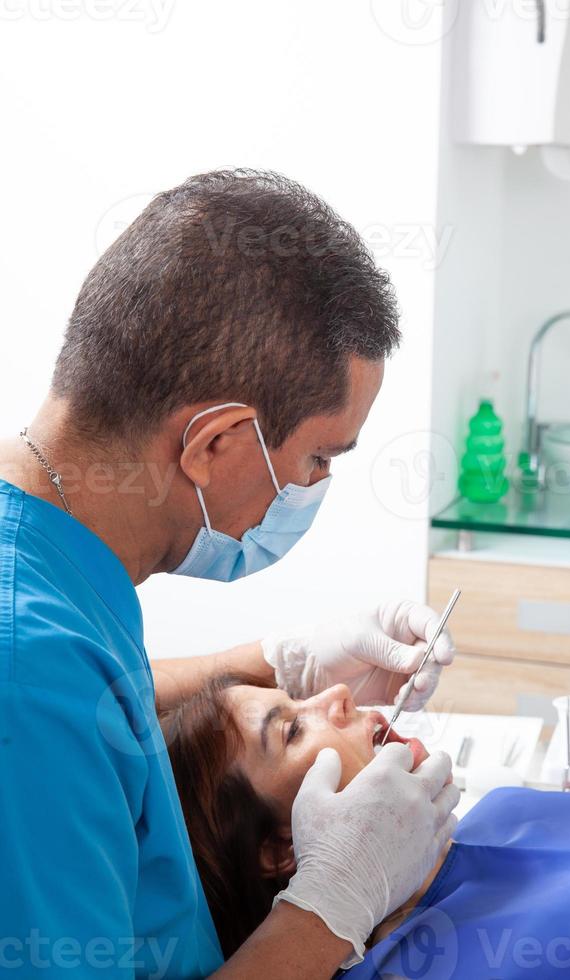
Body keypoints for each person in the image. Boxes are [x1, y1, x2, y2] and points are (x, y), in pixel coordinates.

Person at [0, 170, 459, 978]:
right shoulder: (25, 669)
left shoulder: (45, 552)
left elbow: (96, 698)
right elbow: (44, 702)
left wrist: (273, 662)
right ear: (215, 443)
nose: (315, 487)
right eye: (318, 457)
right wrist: (330, 911)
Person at [162, 675, 570, 980]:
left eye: (298, 698)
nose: (336, 694)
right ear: (279, 849)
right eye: (293, 729)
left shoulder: (504, 809)